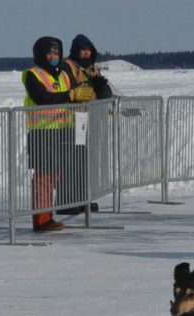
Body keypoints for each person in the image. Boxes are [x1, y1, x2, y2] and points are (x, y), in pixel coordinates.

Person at [22, 36, 95, 232]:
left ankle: (48, 215)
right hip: (42, 132)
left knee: (54, 175)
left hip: (62, 130)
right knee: (43, 177)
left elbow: (75, 91)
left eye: (56, 54)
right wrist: (70, 96)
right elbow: (41, 98)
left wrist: (82, 97)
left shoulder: (62, 74)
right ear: (40, 54)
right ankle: (41, 219)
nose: (53, 57)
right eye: (50, 53)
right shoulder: (33, 74)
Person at [56, 33, 113, 215]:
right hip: (70, 120)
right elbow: (75, 91)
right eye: (83, 50)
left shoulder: (92, 68)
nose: (86, 53)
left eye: (89, 50)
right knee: (70, 161)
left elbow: (102, 92)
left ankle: (82, 198)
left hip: (87, 120)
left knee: (84, 161)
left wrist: (101, 87)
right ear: (76, 51)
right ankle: (66, 201)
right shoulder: (68, 67)